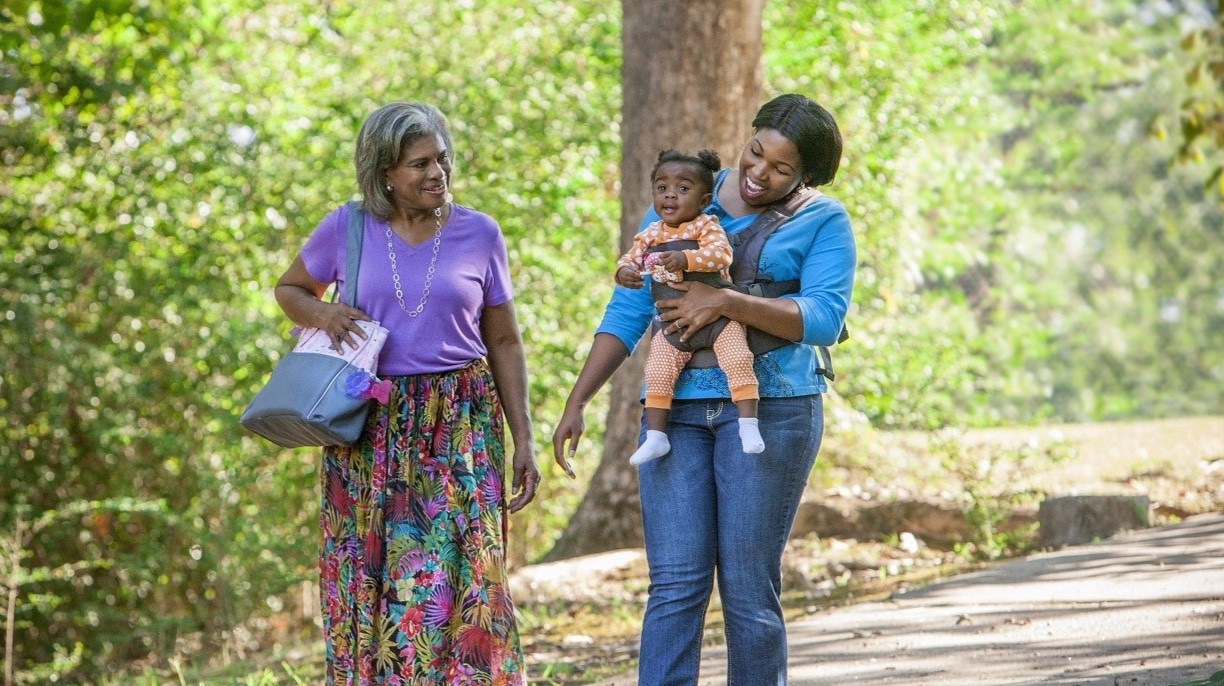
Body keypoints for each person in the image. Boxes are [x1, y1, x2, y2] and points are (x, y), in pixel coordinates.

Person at [552, 93, 856, 685]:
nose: (759, 171)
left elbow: (824, 316)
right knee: (676, 582)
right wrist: (577, 400)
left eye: (781, 168)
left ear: (807, 178)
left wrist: (724, 299)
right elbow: (627, 310)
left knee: (747, 586)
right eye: (756, 151)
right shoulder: (684, 192)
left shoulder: (823, 221)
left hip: (771, 410)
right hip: (675, 417)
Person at [273, 101, 540, 684]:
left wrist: (524, 438)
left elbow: (506, 343)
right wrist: (324, 312)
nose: (436, 173)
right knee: (371, 575)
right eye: (420, 163)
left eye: (442, 159)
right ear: (384, 172)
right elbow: (289, 288)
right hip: (371, 425)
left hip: (462, 422)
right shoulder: (345, 227)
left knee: (468, 572)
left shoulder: (480, 232)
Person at [614, 148, 764, 466]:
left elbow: (721, 256)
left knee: (738, 358)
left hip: (719, 319)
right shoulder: (650, 234)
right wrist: (624, 271)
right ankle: (656, 437)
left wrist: (686, 258)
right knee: (657, 371)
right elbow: (631, 258)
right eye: (662, 188)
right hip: (674, 324)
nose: (671, 196)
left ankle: (748, 425)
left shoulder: (705, 226)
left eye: (683, 189)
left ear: (703, 200)